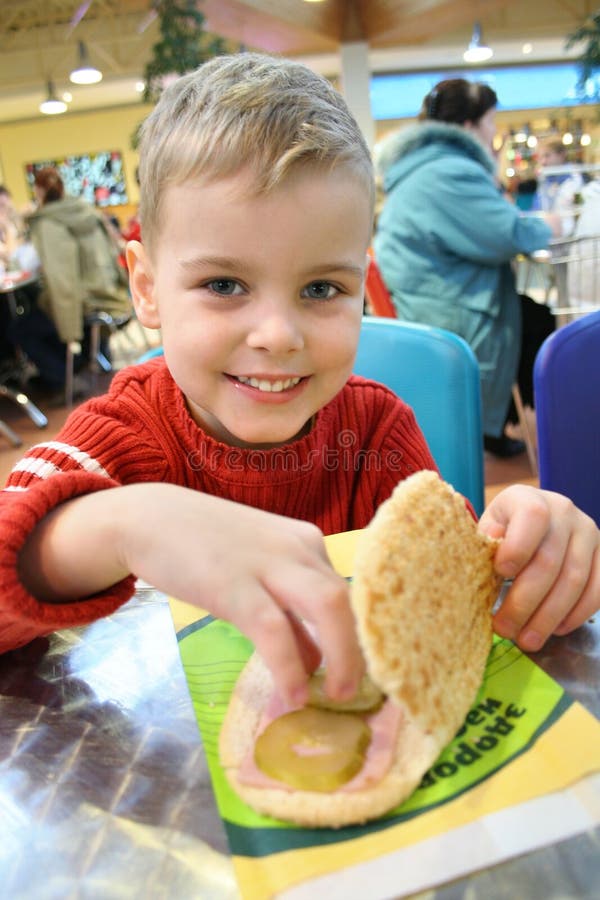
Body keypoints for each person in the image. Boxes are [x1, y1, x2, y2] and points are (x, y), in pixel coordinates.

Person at [1, 54, 598, 709]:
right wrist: (123, 525)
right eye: (223, 285)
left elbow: (455, 587)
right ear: (146, 287)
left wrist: (527, 550)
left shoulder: (375, 434)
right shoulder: (116, 436)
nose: (279, 334)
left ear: (361, 288)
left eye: (321, 288)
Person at [373, 78, 558, 458]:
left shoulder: (423, 166)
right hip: (447, 311)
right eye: (491, 122)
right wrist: (549, 225)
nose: (494, 134)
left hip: (431, 299)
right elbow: (506, 234)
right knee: (541, 324)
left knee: (533, 315)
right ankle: (555, 439)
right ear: (470, 126)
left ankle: (497, 427)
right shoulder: (448, 171)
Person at [10, 167, 131, 394]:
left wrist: (69, 329)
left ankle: (62, 380)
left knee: (21, 328)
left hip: (90, 300)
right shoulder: (84, 210)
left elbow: (62, 280)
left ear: (38, 191)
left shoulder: (49, 222)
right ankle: (84, 361)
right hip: (112, 293)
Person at [533, 139, 584, 236]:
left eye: (547, 156)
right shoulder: (545, 180)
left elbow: (579, 209)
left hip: (572, 236)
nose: (543, 162)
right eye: (540, 158)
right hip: (551, 235)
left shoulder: (575, 179)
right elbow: (538, 208)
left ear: (562, 154)